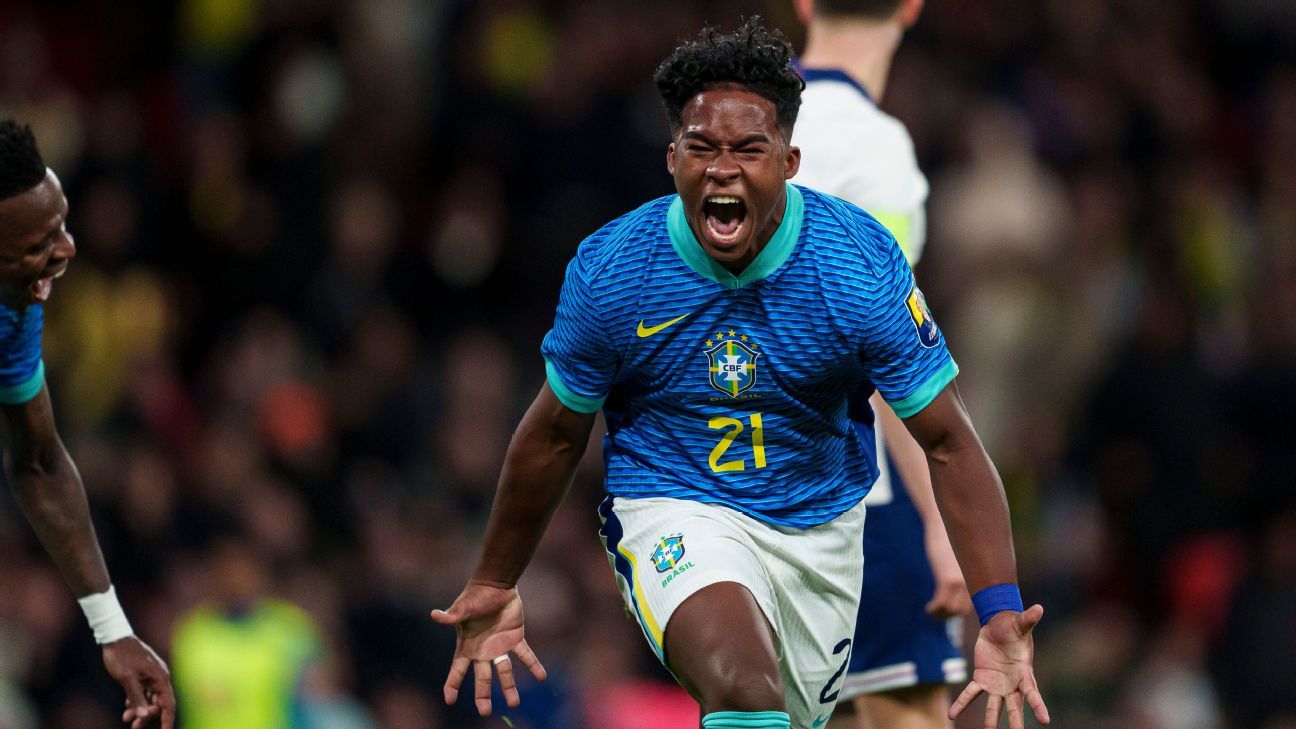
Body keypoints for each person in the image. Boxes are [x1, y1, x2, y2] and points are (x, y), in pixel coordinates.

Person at [431, 18, 1049, 729]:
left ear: (788, 161)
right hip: (673, 504)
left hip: (819, 531)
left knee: (779, 712)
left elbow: (948, 439)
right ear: (672, 159)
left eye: (748, 149)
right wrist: (493, 580)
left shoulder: (854, 264)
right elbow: (552, 436)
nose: (723, 168)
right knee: (743, 685)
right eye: (702, 148)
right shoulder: (615, 271)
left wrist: (999, 611)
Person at [791, 2, 973, 728]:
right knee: (910, 713)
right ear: (911, 6)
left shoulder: (736, 127)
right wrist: (940, 517)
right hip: (857, 489)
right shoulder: (875, 146)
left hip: (739, 482)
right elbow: (892, 350)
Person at [0, 119, 175, 729]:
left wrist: (114, 630)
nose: (67, 248)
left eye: (63, 225)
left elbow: (40, 462)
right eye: (40, 242)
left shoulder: (14, 311)